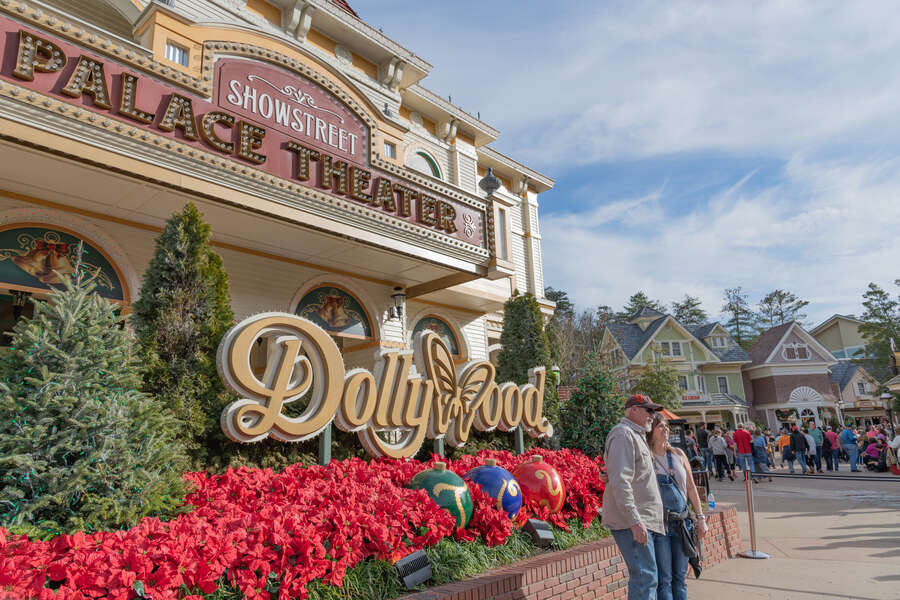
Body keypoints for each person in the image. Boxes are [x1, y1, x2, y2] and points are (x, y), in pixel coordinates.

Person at [604, 394, 666, 599]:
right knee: (645, 579)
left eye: (654, 412)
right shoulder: (623, 434)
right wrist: (635, 521)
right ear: (633, 410)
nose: (653, 416)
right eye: (649, 411)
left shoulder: (636, 434)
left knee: (648, 579)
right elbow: (620, 482)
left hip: (643, 520)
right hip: (634, 522)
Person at [647, 412, 708, 600]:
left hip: (682, 524)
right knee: (664, 579)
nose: (665, 429)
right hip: (660, 526)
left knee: (680, 577)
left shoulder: (679, 454)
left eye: (667, 426)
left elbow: (690, 487)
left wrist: (700, 518)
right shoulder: (647, 458)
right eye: (660, 426)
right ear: (651, 431)